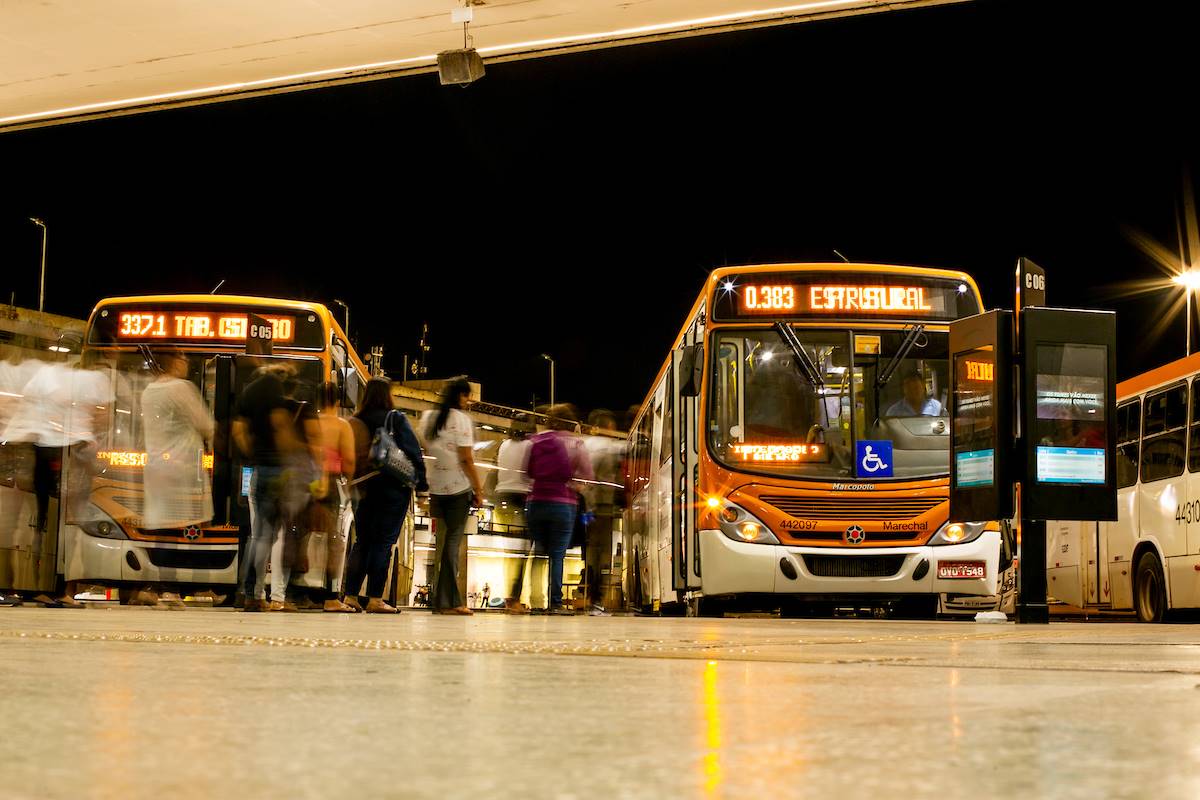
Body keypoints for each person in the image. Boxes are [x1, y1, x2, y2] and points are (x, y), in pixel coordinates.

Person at [233, 363, 311, 612]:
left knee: (258, 535)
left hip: (257, 470)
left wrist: (255, 455)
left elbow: (238, 432)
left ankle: (250, 594)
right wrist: (293, 456)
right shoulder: (275, 393)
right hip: (280, 471)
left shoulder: (247, 395)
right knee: (279, 536)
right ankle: (275, 595)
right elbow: (280, 428)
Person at [344, 378, 426, 613]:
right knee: (383, 543)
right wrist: (421, 486)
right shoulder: (395, 418)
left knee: (362, 542)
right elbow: (413, 453)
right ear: (387, 395)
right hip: (392, 488)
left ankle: (350, 595)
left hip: (363, 488)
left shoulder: (355, 421)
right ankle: (374, 599)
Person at [419, 378, 482, 616]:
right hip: (458, 490)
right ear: (459, 396)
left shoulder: (427, 418)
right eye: (467, 396)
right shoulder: (462, 421)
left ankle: (439, 601)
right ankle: (451, 602)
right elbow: (466, 459)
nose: (469, 401)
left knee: (441, 544)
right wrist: (479, 489)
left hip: (436, 489)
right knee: (452, 545)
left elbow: (426, 451)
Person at [525, 403, 593, 615]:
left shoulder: (536, 441)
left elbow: (527, 471)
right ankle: (555, 602)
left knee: (538, 553)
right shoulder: (576, 443)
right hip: (563, 503)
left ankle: (536, 602)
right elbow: (588, 474)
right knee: (557, 555)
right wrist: (576, 486)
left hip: (536, 501)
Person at [307, 382, 357, 612]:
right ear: (338, 401)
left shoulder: (309, 423)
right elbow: (348, 460)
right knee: (334, 541)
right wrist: (349, 483)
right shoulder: (341, 426)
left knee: (305, 536)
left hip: (307, 482)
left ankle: (296, 592)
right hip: (331, 484)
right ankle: (330, 596)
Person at [582, 409, 623, 615]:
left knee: (590, 551)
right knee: (604, 553)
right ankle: (597, 598)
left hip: (586, 507)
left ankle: (588, 594)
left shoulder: (585, 445)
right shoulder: (610, 447)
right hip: (604, 506)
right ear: (608, 427)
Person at [495, 415, 534, 613]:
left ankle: (511, 597)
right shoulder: (530, 445)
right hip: (521, 497)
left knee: (510, 552)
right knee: (522, 552)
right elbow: (532, 473)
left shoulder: (503, 444)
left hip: (501, 497)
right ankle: (514, 599)